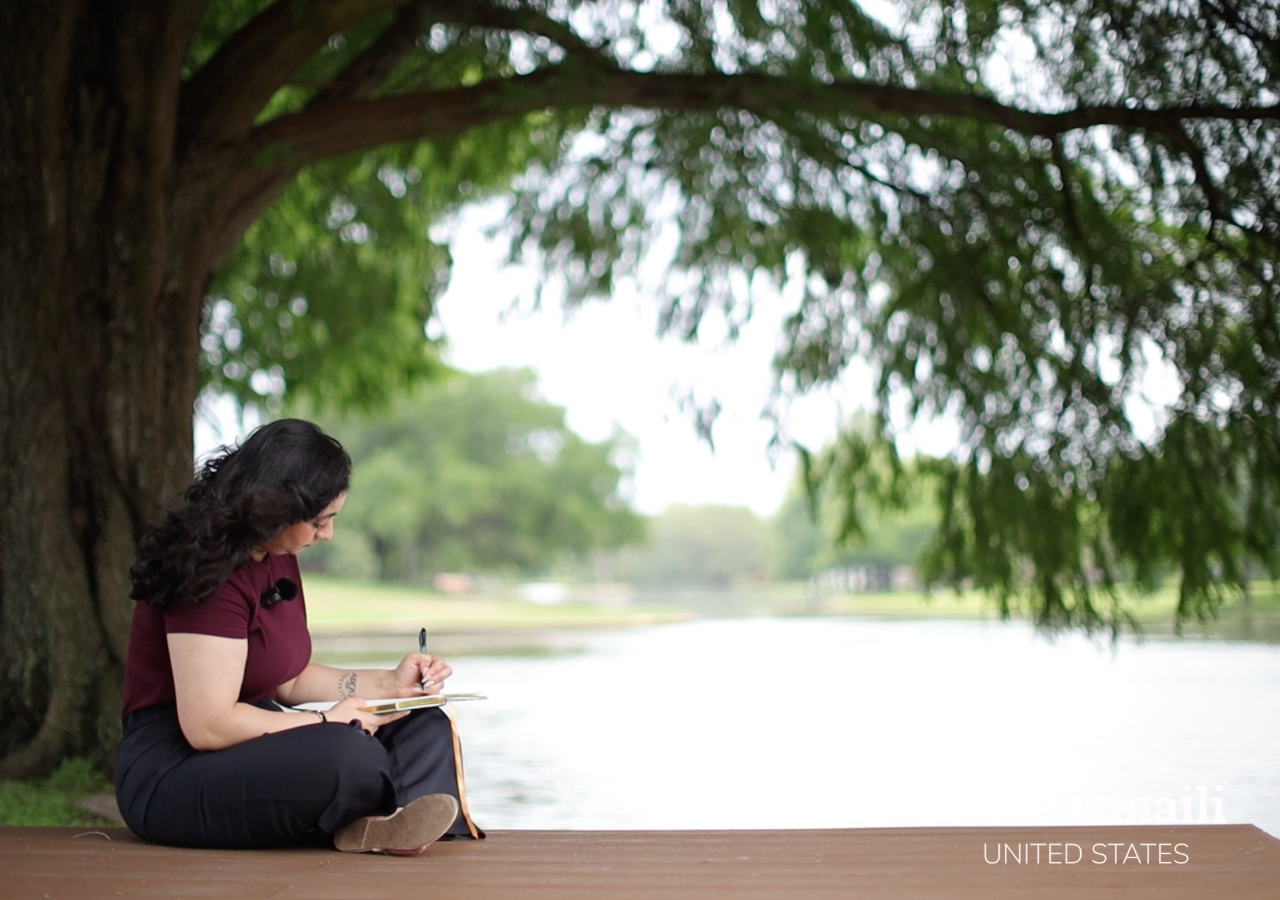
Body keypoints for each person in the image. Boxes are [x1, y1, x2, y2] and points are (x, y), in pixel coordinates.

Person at [115, 418, 482, 853]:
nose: (328, 534)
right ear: (276, 506)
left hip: (253, 743)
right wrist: (326, 721)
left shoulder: (278, 553)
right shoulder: (208, 571)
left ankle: (390, 827)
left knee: (421, 721)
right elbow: (209, 726)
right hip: (174, 770)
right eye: (319, 520)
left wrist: (391, 684)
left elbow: (287, 680)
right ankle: (377, 819)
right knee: (346, 754)